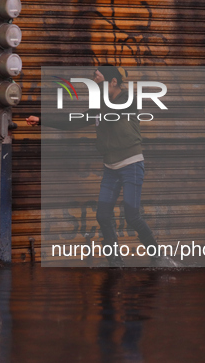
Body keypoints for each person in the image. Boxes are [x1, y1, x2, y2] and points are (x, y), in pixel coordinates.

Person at [27, 65, 179, 267]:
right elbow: (75, 121)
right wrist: (41, 120)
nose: (96, 88)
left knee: (132, 215)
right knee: (102, 215)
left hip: (131, 164)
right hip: (111, 168)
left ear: (113, 82)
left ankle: (158, 256)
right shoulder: (101, 105)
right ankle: (115, 261)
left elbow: (115, 108)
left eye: (99, 82)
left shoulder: (128, 100)